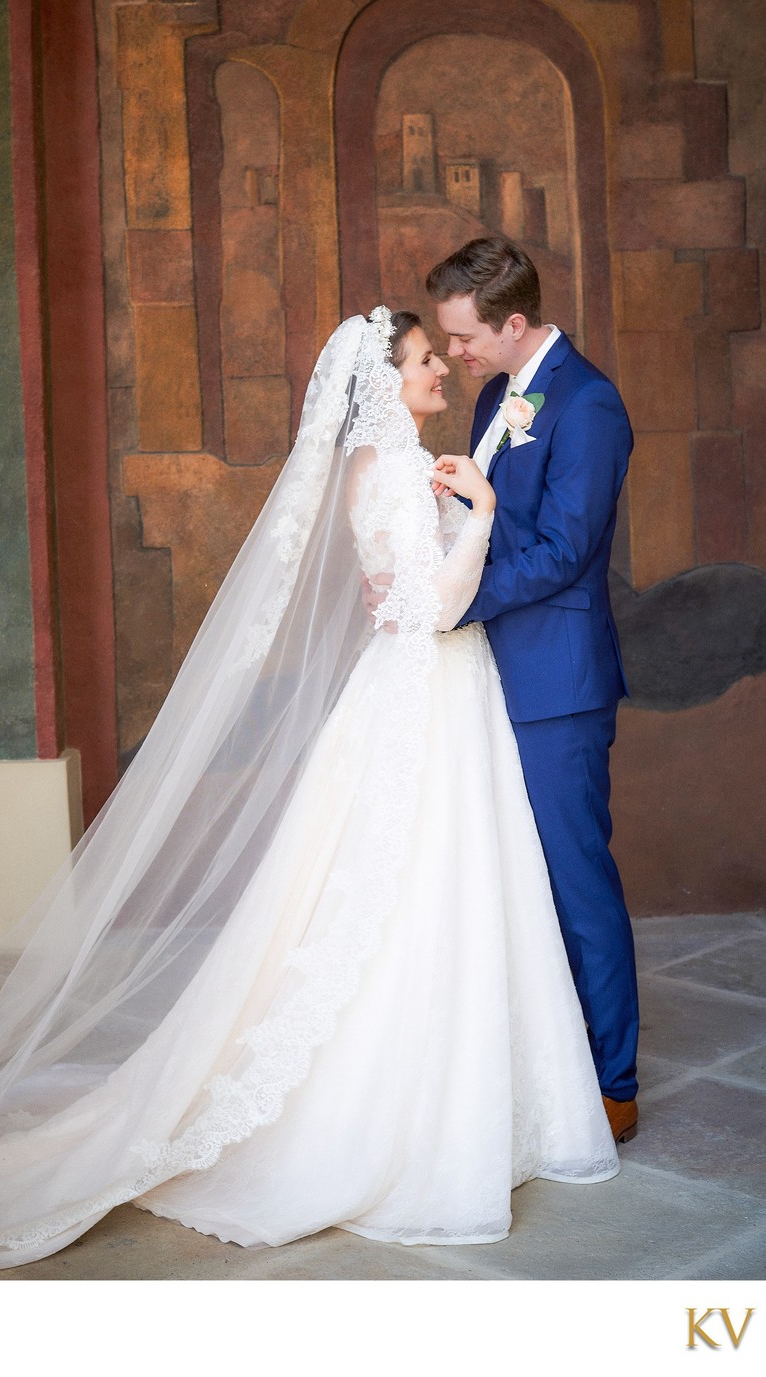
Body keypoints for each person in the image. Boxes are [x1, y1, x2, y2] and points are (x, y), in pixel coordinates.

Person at [0, 308, 618, 1280]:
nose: (440, 375)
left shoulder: (400, 473)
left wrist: (464, 507)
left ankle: (464, 1089)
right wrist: (485, 514)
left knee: (440, 893)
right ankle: (396, 1107)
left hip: (440, 701)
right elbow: (434, 607)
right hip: (425, 701)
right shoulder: (395, 479)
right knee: (413, 895)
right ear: (383, 384)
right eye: (422, 362)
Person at [426, 236, 639, 1144]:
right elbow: (492, 522)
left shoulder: (588, 405)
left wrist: (452, 605)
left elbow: (562, 554)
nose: (456, 353)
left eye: (466, 337)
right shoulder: (491, 394)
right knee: (511, 879)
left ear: (513, 324)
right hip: (487, 675)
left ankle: (613, 1085)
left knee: (574, 879)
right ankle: (541, 1065)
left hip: (556, 682)